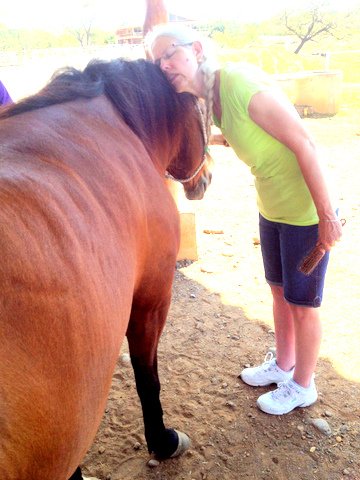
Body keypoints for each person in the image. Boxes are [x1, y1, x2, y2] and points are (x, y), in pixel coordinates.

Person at [145, 24, 343, 415]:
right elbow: (244, 135)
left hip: (305, 210)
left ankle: (304, 384)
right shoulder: (212, 100)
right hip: (271, 206)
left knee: (303, 304)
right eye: (157, 61)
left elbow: (304, 142)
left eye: (170, 53)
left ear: (197, 49)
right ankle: (283, 365)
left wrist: (326, 215)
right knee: (278, 292)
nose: (164, 65)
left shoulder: (237, 82)